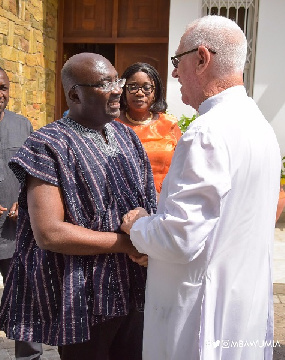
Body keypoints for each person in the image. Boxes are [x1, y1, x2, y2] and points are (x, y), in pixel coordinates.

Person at [121, 15, 281, 360]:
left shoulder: (207, 132)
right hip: (242, 309)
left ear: (202, 58)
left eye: (178, 61)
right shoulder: (260, 126)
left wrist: (138, 226)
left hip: (199, 322)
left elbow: (179, 239)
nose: (174, 73)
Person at [0, 53, 157, 360]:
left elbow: (148, 200)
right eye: (104, 84)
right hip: (84, 300)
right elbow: (50, 233)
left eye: (117, 81)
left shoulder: (126, 136)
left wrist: (150, 239)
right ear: (74, 94)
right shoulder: (48, 144)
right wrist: (127, 244)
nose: (117, 90)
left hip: (135, 289)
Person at [0, 67, 43, 359]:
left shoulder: (22, 126)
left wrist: (24, 202)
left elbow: (35, 173)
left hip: (16, 235)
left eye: (3, 87)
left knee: (25, 305)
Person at [115, 62, 181, 194]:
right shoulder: (111, 125)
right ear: (123, 91)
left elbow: (183, 166)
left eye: (146, 88)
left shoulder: (169, 125)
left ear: (155, 92)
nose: (139, 93)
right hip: (122, 203)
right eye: (133, 87)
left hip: (163, 202)